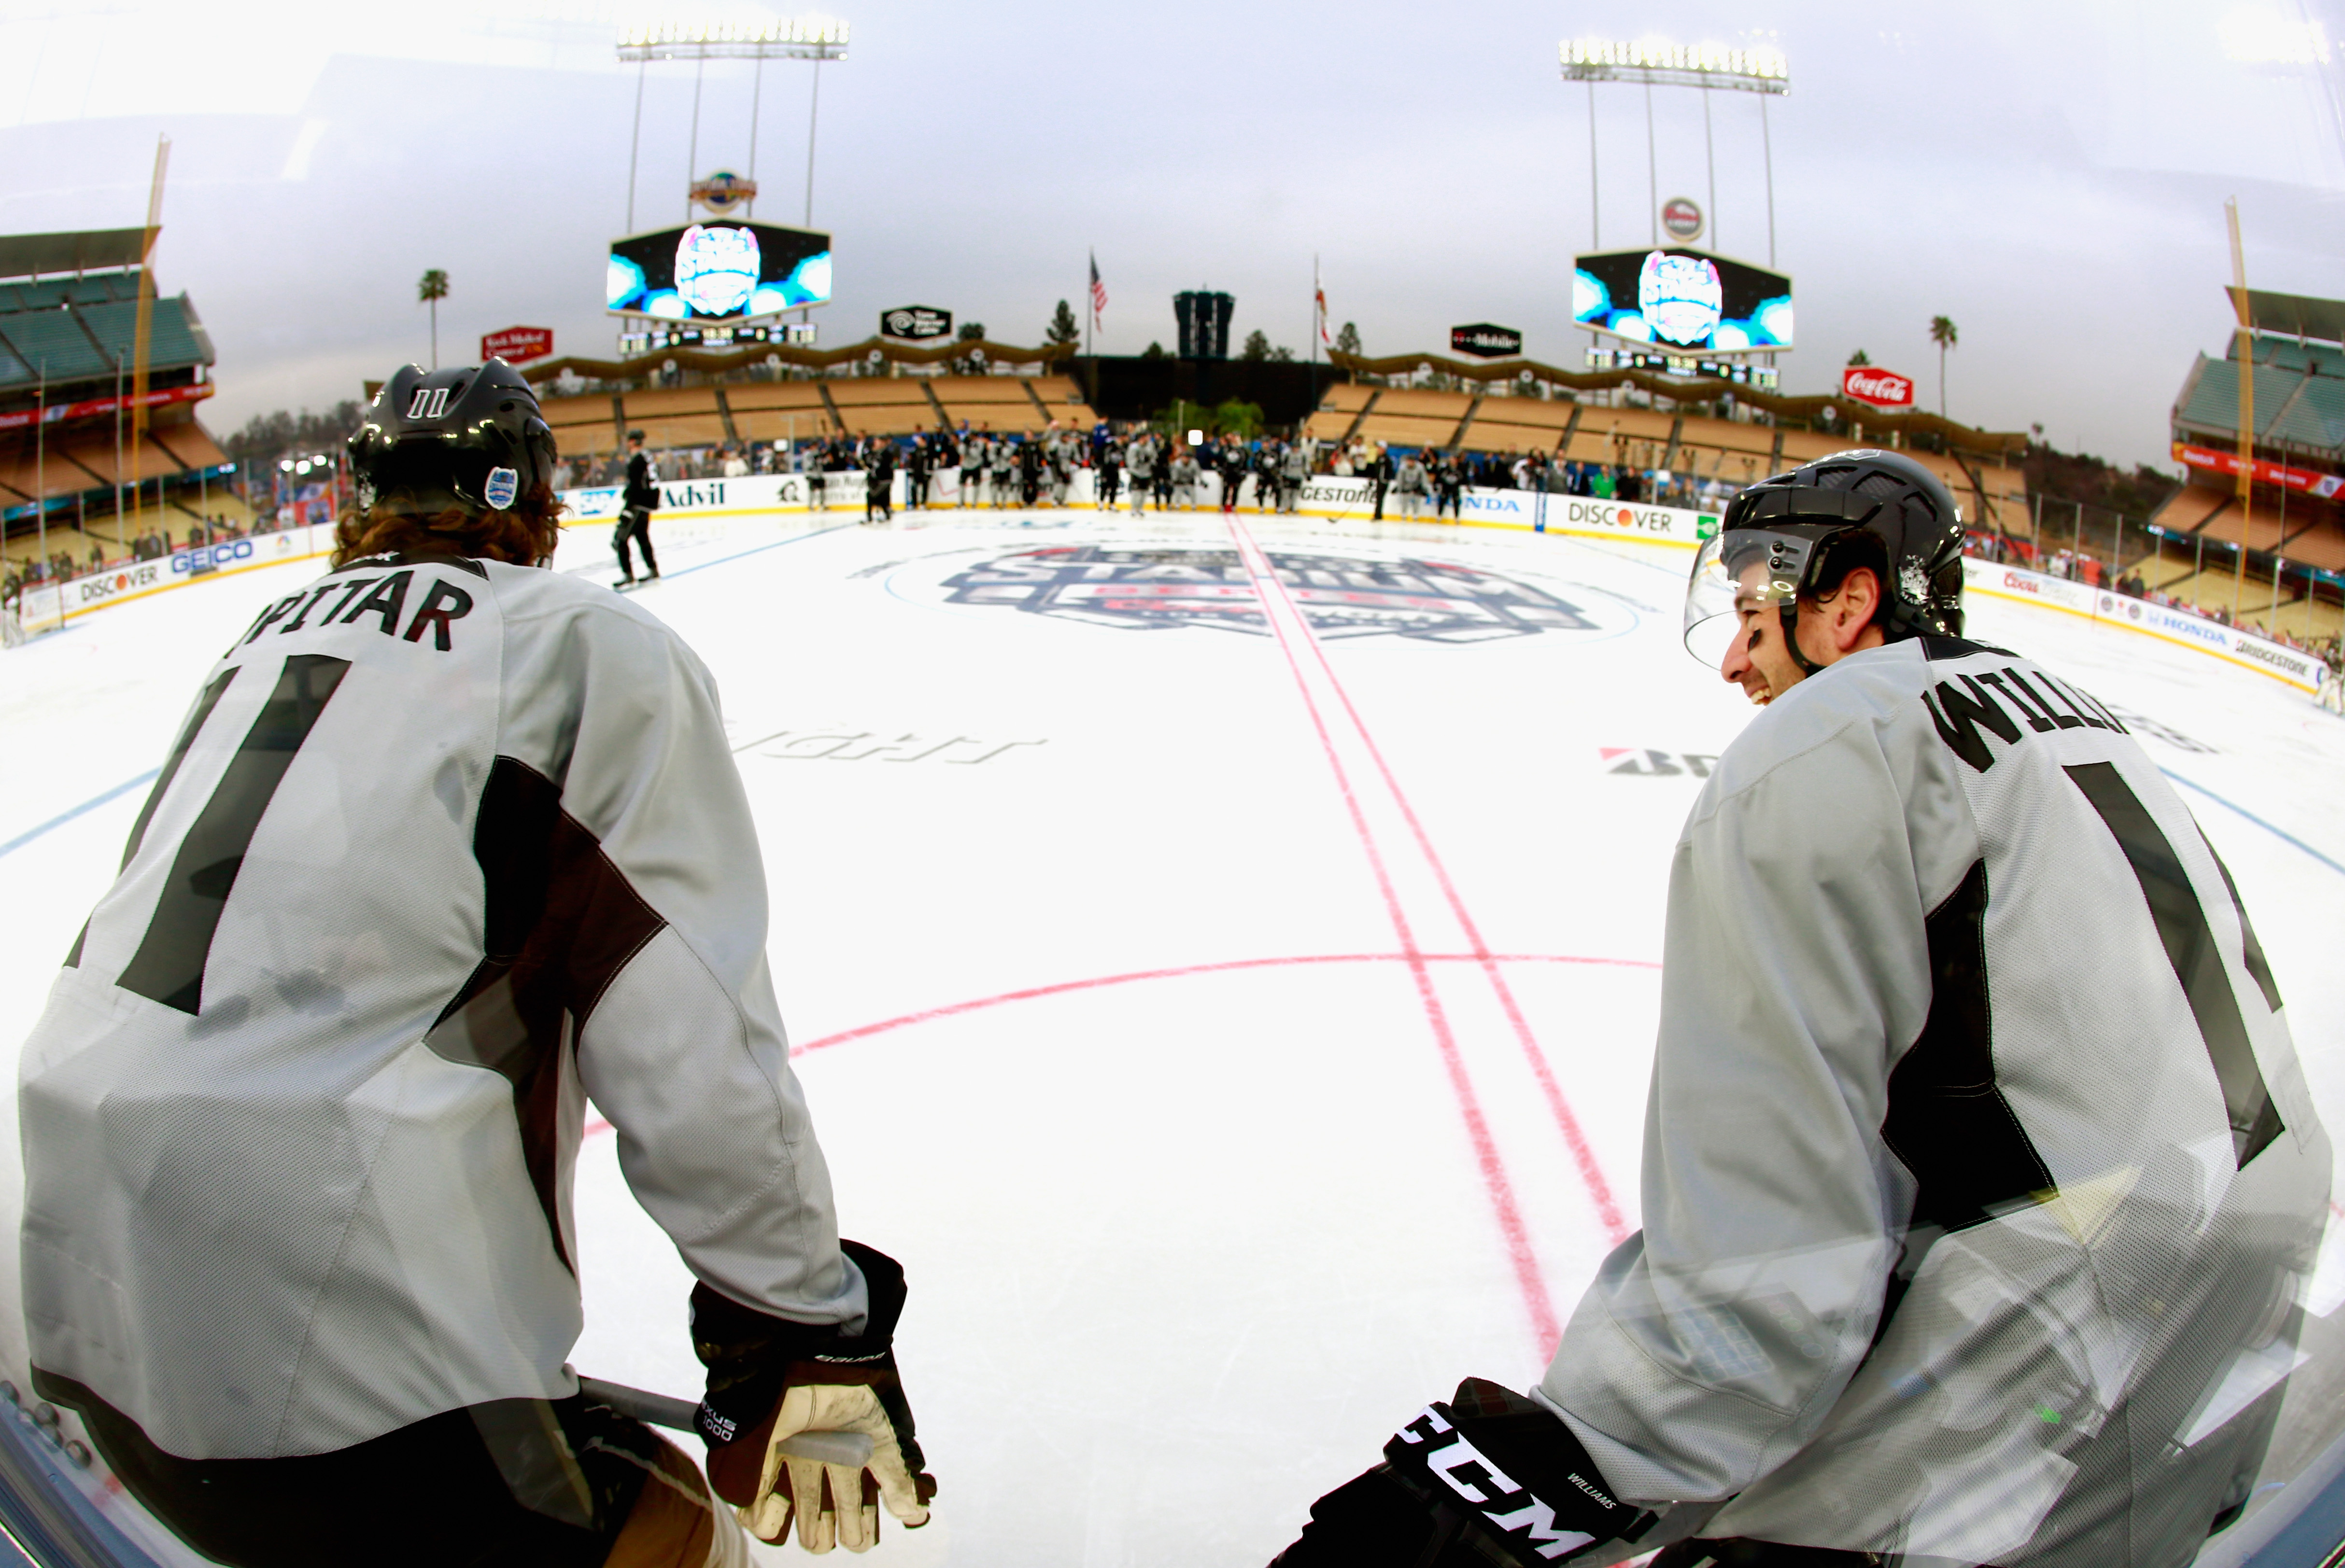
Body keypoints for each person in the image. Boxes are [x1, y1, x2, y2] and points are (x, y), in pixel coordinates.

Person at [1270, 448, 2329, 1568]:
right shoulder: (2071, 714)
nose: (1729, 659)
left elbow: (1765, 1287)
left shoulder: (1825, 751)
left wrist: (1547, 1472)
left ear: (1846, 600)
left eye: (1745, 611)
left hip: (2046, 1351)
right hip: (2225, 1327)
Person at [17, 360, 940, 1568]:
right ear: (537, 501)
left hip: (61, 1266)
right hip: (322, 1288)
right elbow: (685, 1021)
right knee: (674, 1537)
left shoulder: (255, 641)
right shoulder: (578, 643)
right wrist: (794, 1319)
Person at [615, 429, 660, 588]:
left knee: (620, 539)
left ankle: (628, 574)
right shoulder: (647, 456)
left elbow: (636, 486)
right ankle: (653, 569)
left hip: (639, 503)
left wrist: (627, 509)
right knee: (642, 537)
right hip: (647, 502)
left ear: (633, 442)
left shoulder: (637, 461)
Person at [1392, 451, 1429, 520]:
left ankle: (1415, 514)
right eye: (1409, 461)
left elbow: (1424, 478)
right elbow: (1400, 479)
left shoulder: (1420, 467)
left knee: (1417, 501)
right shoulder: (1403, 467)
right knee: (1405, 501)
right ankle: (1404, 514)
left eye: (1412, 461)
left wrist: (1424, 488)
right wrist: (1399, 488)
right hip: (1407, 486)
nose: (1410, 463)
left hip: (1417, 486)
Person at [1126, 433, 1155, 516]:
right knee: (1136, 492)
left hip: (1147, 472)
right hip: (1136, 472)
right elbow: (1130, 460)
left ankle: (1140, 508)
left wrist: (1151, 462)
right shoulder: (1134, 447)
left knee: (1145, 492)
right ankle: (1134, 508)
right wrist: (1137, 462)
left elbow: (1154, 457)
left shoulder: (1150, 446)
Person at [1171, 445, 1201, 511]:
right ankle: (1177, 505)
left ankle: (1193, 505)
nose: (1186, 459)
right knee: (1178, 492)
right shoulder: (1177, 464)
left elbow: (1198, 472)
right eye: (1185, 457)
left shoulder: (1194, 463)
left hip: (1189, 481)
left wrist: (1201, 480)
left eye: (1188, 458)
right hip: (1180, 481)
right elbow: (1174, 473)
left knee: (1192, 493)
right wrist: (1175, 480)